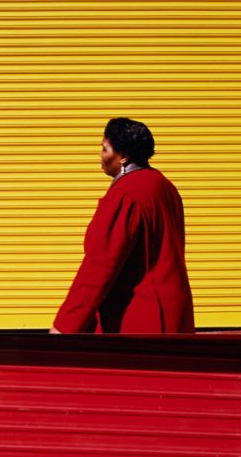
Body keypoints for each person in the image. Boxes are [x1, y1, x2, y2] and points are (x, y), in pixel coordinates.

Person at [51, 117, 195, 334]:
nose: (100, 155)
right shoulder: (165, 186)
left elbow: (99, 266)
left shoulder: (126, 194)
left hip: (140, 319)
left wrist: (65, 326)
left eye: (105, 149)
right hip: (174, 315)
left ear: (124, 156)